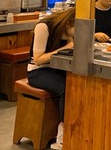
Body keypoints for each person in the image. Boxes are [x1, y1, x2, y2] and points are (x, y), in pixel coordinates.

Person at [28, 8, 75, 150]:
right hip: (38, 72)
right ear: (68, 24)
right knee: (65, 88)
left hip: (57, 68)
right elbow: (38, 59)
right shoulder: (44, 27)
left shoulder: (68, 33)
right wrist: (65, 48)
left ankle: (77, 129)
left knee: (78, 84)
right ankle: (62, 135)